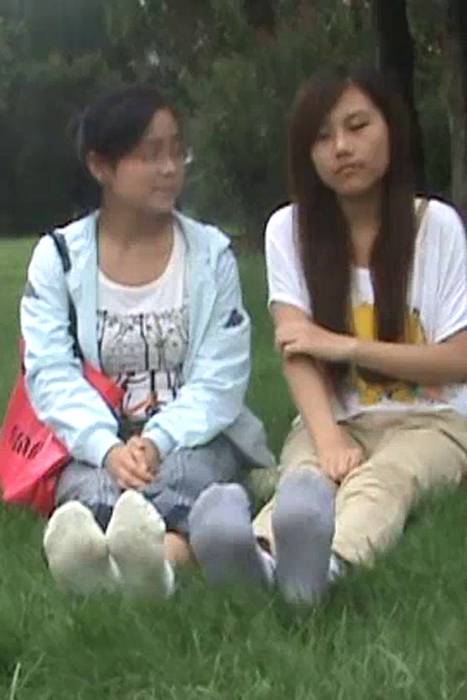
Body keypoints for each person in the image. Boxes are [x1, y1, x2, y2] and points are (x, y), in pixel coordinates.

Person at [189, 66, 467, 604]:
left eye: (358, 126)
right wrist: (329, 437)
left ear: (392, 129)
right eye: (322, 137)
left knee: (385, 480)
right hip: (332, 415)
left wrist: (347, 347)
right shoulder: (288, 230)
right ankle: (252, 557)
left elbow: (459, 358)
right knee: (304, 483)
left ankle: (327, 567)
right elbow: (296, 349)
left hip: (434, 419)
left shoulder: (436, 226)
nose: (341, 147)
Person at [20, 85, 274, 598]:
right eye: (150, 154)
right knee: (90, 486)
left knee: (185, 476)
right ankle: (125, 560)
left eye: (177, 150)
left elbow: (221, 375)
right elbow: (49, 372)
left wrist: (157, 439)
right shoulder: (59, 258)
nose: (170, 168)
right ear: (101, 166)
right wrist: (107, 448)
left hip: (191, 433)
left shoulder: (210, 254)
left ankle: (140, 566)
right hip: (100, 435)